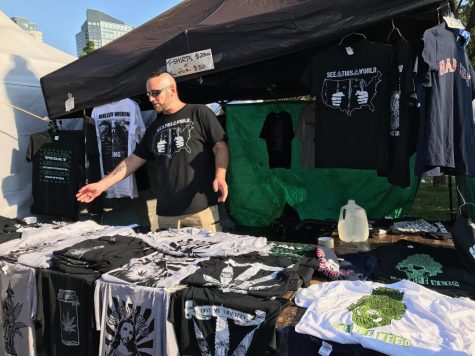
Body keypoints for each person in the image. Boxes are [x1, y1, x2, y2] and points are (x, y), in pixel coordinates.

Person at [77, 71, 229, 232]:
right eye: (149, 94)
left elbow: (220, 147)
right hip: (166, 214)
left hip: (200, 209)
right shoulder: (155, 127)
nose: (150, 98)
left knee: (207, 255)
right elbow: (132, 161)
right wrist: (101, 185)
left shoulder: (199, 112)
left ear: (172, 90)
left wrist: (220, 176)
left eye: (156, 93)